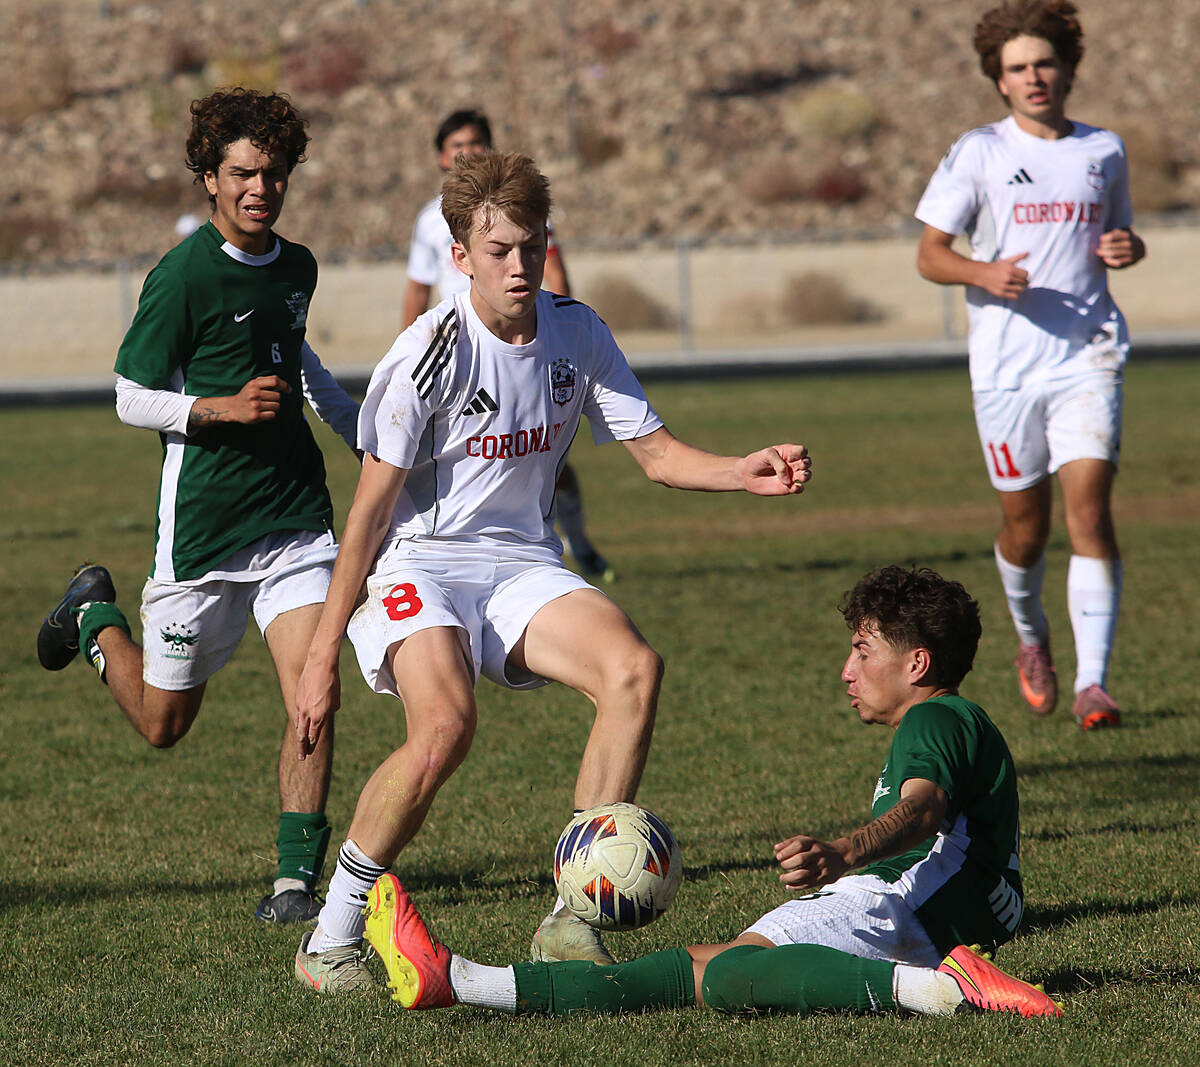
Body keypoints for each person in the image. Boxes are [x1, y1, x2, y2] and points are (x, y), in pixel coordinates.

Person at [291, 150, 812, 993]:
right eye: (499, 250)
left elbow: (657, 454)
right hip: (422, 559)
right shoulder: (427, 353)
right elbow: (369, 514)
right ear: (460, 256)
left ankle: (571, 918)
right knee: (445, 726)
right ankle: (331, 933)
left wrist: (740, 469)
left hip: (523, 561)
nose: (519, 265)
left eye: (531, 246)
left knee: (633, 668)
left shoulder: (578, 332)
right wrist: (321, 658)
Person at [356, 565, 1063, 1021]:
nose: (847, 670)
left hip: (892, 903)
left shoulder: (936, 717)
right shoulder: (961, 721)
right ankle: (456, 979)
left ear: (917, 663)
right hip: (930, 912)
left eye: (863, 650)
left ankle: (945, 989)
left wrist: (845, 852)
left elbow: (922, 809)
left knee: (726, 979)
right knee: (689, 970)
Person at [35, 88, 360, 924]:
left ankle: (294, 884)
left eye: (274, 173)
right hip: (205, 530)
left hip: (294, 517)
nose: (260, 189)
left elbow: (299, 360)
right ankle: (93, 617)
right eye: (243, 173)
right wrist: (219, 409)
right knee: (163, 724)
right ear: (210, 178)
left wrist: (364, 436)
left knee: (313, 691)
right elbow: (129, 395)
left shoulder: (298, 266)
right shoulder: (181, 276)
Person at [914, 0, 1145, 730]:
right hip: (1007, 369)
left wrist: (1127, 247)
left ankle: (1094, 684)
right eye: (1018, 68)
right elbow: (930, 255)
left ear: (1068, 69)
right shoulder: (979, 152)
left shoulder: (1103, 150)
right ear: (1000, 79)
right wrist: (982, 273)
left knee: (1091, 512)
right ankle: (1031, 636)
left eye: (1045, 63)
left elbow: (1121, 234)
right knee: (1025, 529)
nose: (1034, 77)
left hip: (1088, 353)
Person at [403, 108, 613, 582]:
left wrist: (560, 331)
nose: (468, 153)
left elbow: (554, 271)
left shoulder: (519, 212)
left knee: (541, 459)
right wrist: (410, 350)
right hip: (460, 360)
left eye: (476, 143)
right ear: (442, 157)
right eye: (457, 146)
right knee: (458, 460)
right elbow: (417, 288)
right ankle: (441, 556)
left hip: (520, 345)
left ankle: (573, 546)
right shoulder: (429, 222)